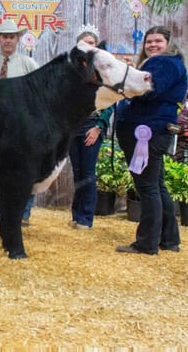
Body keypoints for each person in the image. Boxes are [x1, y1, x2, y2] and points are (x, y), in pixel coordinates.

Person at [115, 25, 188, 255]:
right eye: (149, 42)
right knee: (156, 185)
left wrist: (125, 78)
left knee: (147, 187)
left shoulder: (164, 63)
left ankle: (147, 243)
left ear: (168, 43)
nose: (153, 45)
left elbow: (149, 90)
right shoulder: (168, 63)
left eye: (158, 41)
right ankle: (169, 240)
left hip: (148, 130)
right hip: (155, 128)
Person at [0, 19, 39, 227]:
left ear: (18, 39)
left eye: (11, 37)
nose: (8, 41)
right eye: (4, 37)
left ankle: (23, 214)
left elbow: (38, 96)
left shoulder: (28, 65)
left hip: (23, 127)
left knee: (25, 170)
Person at [68, 26, 114, 230]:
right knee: (77, 172)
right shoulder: (72, 71)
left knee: (88, 172)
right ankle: (76, 215)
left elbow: (110, 102)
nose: (88, 46)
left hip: (91, 125)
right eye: (84, 42)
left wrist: (98, 127)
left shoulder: (103, 72)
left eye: (91, 42)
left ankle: (86, 218)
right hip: (73, 126)